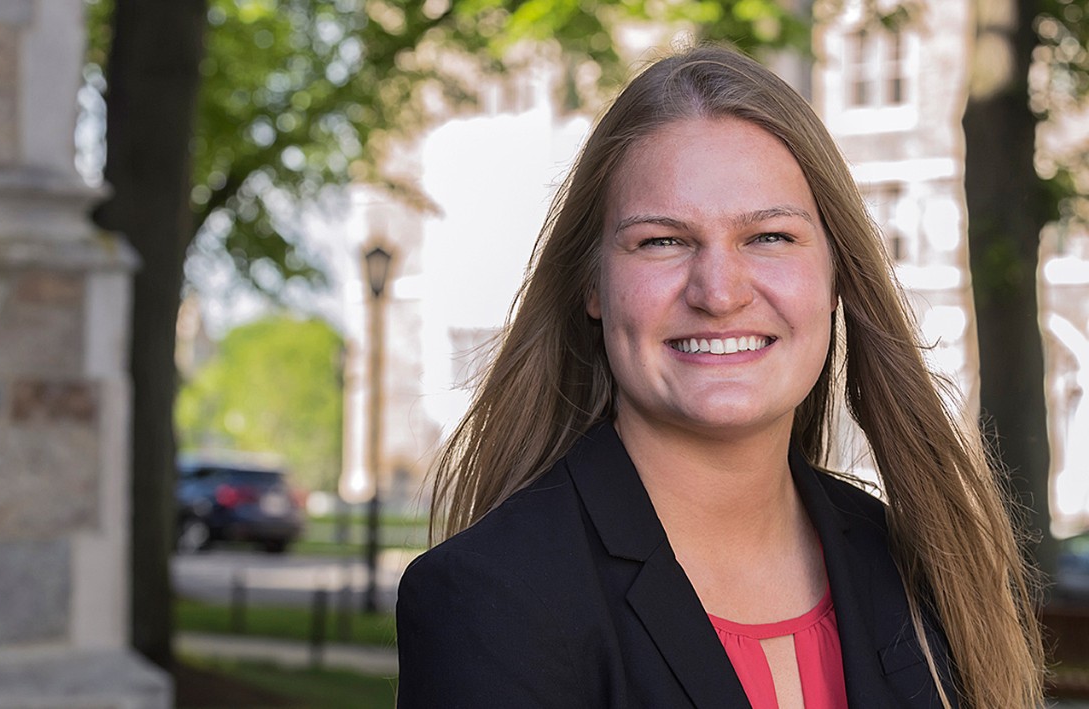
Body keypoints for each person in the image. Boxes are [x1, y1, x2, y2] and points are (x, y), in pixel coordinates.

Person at [395, 45, 1044, 708]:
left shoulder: (918, 569)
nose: (718, 290)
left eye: (769, 237)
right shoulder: (490, 597)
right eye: (662, 240)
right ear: (593, 283)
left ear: (835, 274)